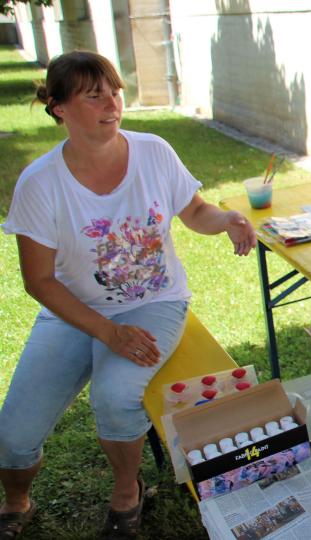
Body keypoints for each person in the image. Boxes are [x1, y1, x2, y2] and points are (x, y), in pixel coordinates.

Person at [0, 51, 256, 538]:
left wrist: (227, 219)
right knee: (13, 435)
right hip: (73, 311)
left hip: (154, 301)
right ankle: (16, 501)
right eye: (93, 96)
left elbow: (195, 211)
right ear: (58, 108)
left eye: (115, 92)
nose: (112, 103)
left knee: (116, 396)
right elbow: (39, 281)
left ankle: (126, 490)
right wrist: (106, 331)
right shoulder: (40, 183)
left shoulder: (154, 152)